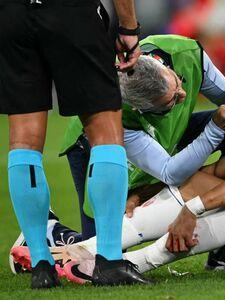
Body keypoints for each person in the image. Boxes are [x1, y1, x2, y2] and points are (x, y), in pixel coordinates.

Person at [12, 42, 225, 282]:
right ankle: (90, 253)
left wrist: (195, 208)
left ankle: (127, 261)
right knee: (204, 181)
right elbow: (211, 172)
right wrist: (145, 195)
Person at [0, 0, 155, 288]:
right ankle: (108, 261)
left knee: (23, 140)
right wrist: (128, 26)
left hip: (13, 15)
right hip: (72, 11)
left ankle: (41, 265)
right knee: (105, 131)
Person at [57, 34, 225, 240]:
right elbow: (170, 172)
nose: (183, 95)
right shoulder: (115, 115)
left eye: (177, 82)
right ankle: (55, 234)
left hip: (167, 133)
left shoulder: (185, 52)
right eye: (171, 101)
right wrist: (214, 130)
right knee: (101, 247)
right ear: (141, 109)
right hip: (96, 146)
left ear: (162, 66)